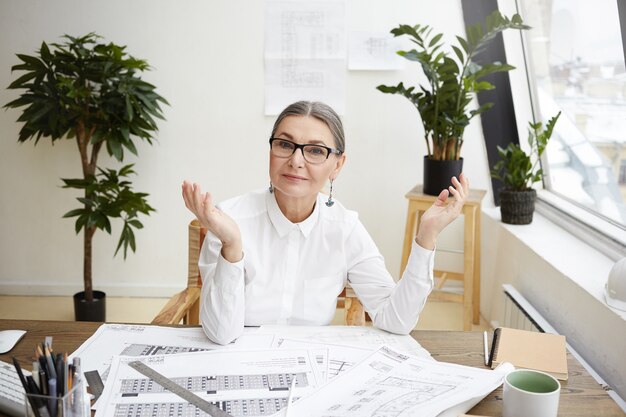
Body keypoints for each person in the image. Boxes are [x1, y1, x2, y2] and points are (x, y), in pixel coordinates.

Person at [182, 101, 469, 345]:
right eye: (285, 144)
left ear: (338, 165)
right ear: (270, 150)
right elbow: (221, 333)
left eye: (315, 151)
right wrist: (232, 246)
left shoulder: (345, 228)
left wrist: (427, 236)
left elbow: (395, 319)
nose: (296, 160)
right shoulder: (230, 219)